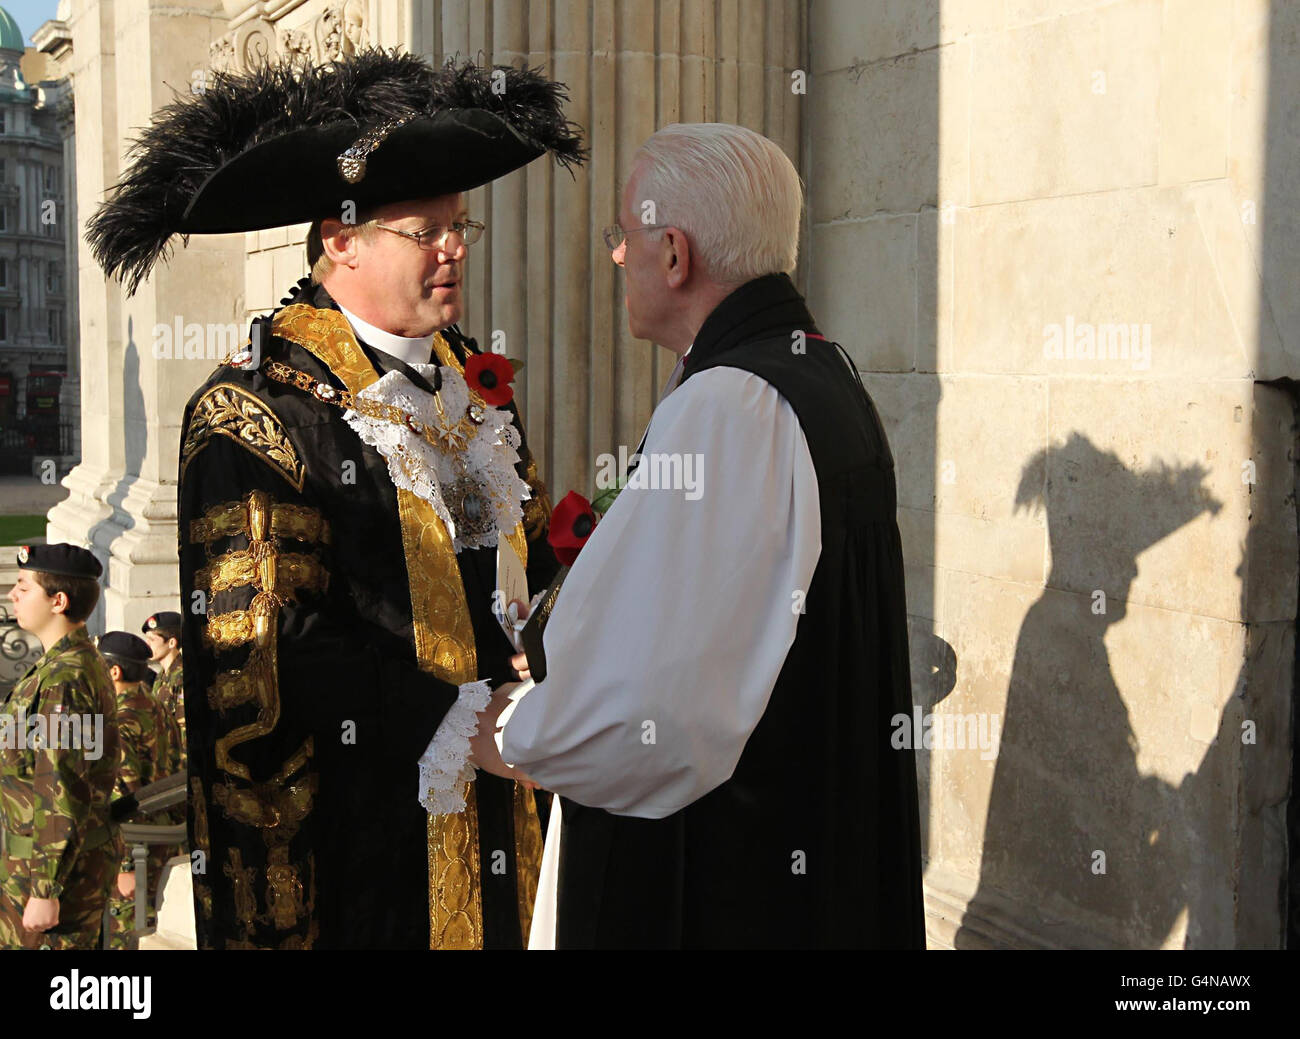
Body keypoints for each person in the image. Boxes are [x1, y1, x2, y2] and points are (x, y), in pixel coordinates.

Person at [87, 50, 583, 949]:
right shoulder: (256, 411)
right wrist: (459, 717)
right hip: (364, 857)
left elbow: (524, 566)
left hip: (508, 814)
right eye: (425, 230)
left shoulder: (478, 391)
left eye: (461, 226)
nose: (455, 249)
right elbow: (265, 651)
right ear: (341, 238)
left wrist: (563, 646)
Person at [500, 123, 926, 948]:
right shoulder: (817, 368)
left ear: (674, 253)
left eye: (623, 236)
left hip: (732, 880)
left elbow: (658, 724)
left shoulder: (731, 402)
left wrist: (513, 731)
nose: (616, 257)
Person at [0, 544, 120, 950]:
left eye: (23, 587)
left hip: (52, 874)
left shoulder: (65, 679)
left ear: (59, 601)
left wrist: (45, 889)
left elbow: (61, 786)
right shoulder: (61, 666)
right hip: (40, 864)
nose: (12, 595)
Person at [96, 631, 169, 949]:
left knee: (127, 936)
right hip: (160, 837)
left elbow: (124, 799)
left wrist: (126, 866)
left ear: (113, 672)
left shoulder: (119, 721)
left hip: (135, 848)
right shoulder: (152, 704)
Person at [142, 612, 185, 773]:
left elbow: (184, 733)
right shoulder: (161, 676)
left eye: (152, 639)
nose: (147, 645)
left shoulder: (181, 677)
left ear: (172, 642)